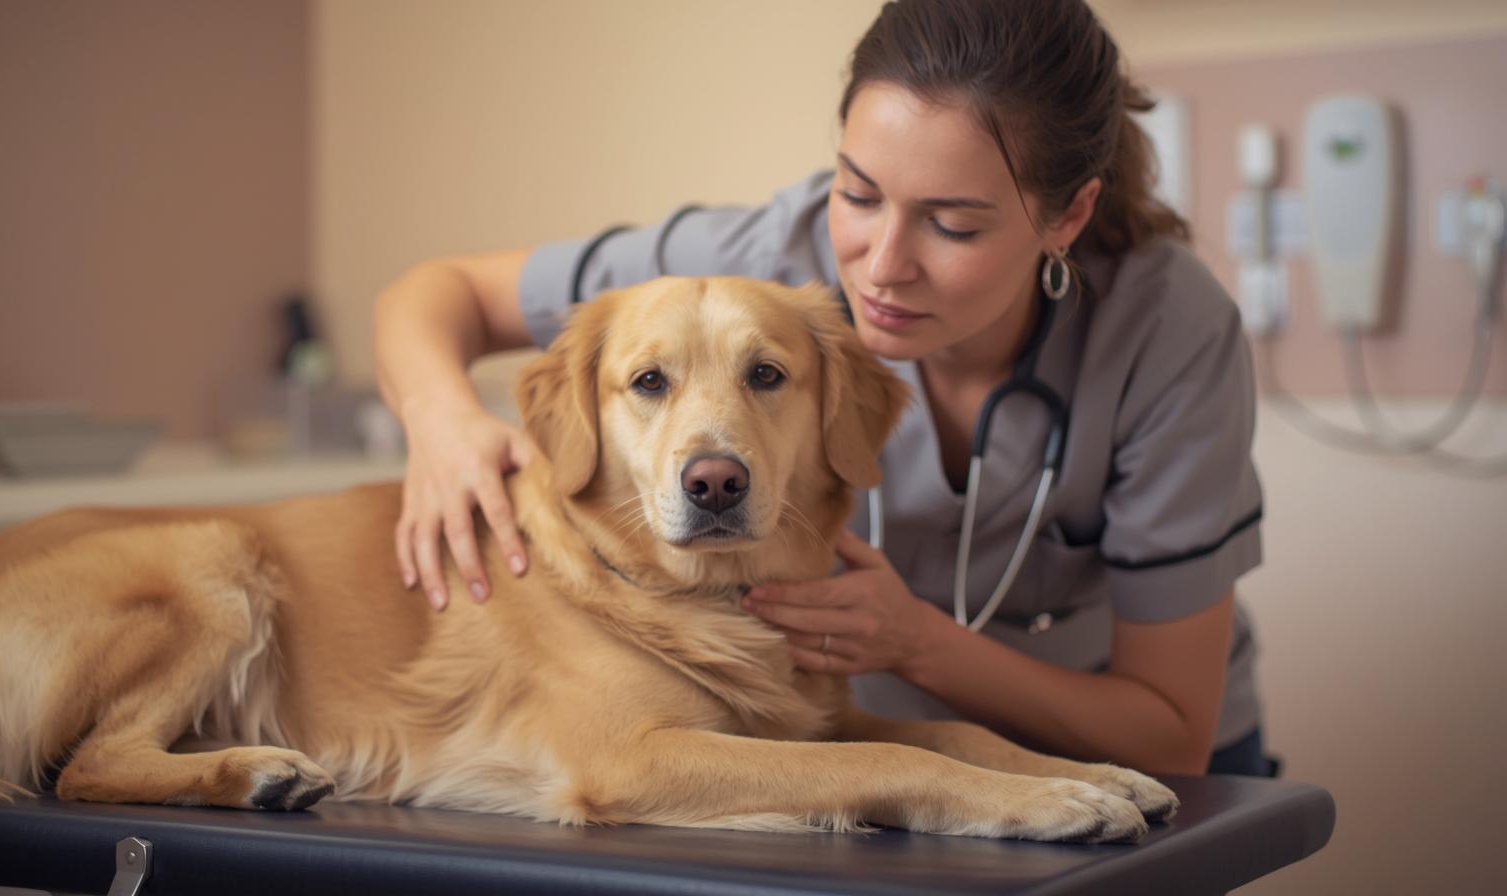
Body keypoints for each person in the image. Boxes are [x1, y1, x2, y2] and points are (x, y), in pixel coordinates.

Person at [373, 0, 1273, 777]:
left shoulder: (1164, 331)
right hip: (858, 757)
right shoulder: (765, 268)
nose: (881, 267)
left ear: (1067, 215)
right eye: (859, 192)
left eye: (952, 224)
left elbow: (1172, 736)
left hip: (1118, 758)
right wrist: (440, 419)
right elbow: (438, 293)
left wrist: (918, 642)